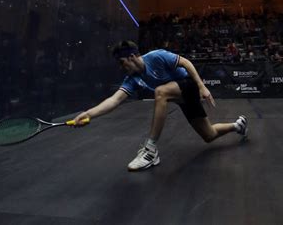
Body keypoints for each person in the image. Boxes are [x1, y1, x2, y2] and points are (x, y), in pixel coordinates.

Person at [73, 41, 248, 171]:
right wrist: (88, 114)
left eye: (121, 62)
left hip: (188, 84)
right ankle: (238, 125)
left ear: (132, 57)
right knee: (209, 135)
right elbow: (114, 100)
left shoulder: (156, 56)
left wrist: (202, 86)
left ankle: (150, 150)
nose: (121, 67)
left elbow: (185, 62)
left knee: (160, 92)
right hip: (180, 96)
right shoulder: (132, 78)